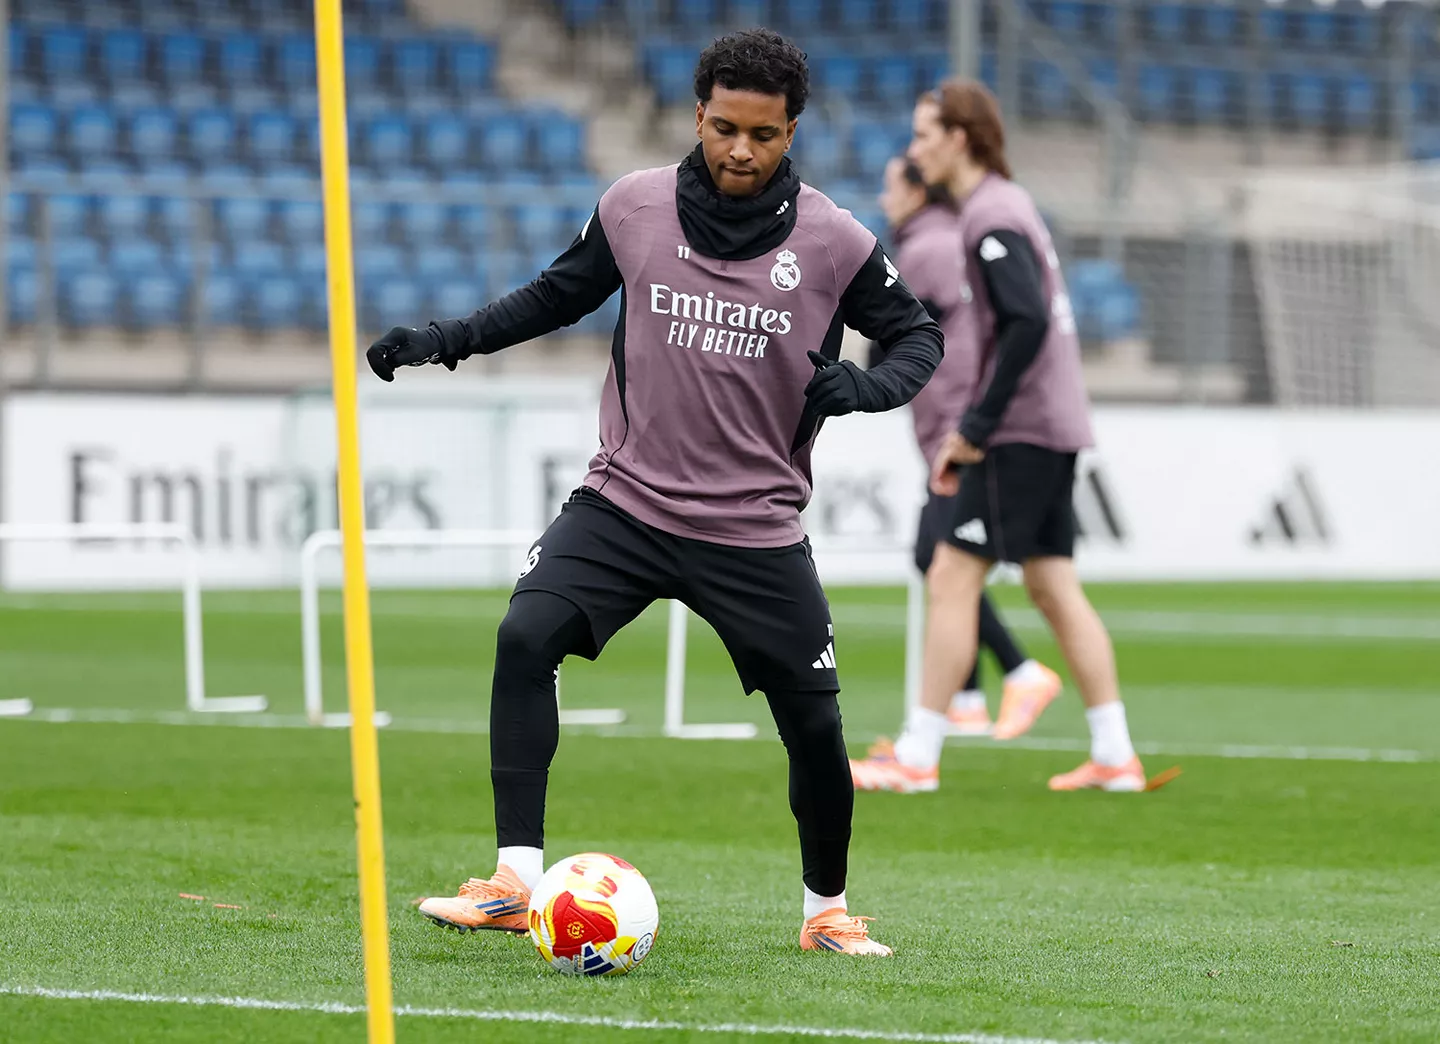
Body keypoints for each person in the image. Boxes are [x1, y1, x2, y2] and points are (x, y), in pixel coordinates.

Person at [366, 29, 943, 955]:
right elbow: (554, 296)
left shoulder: (836, 239)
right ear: (698, 114)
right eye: (724, 128)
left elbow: (920, 337)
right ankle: (516, 880)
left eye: (763, 134)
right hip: (624, 504)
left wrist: (867, 387)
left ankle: (825, 912)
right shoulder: (634, 206)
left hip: (752, 527)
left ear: (792, 130)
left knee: (815, 723)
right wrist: (443, 339)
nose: (740, 151)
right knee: (524, 637)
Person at [849, 79, 1149, 794]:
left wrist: (976, 425)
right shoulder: (1001, 209)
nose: (916, 151)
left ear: (959, 137)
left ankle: (918, 756)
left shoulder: (989, 217)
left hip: (1018, 427)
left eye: (925, 135)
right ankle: (1115, 753)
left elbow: (1026, 320)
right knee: (1051, 585)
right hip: (1050, 421)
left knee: (951, 574)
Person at [862, 156, 1060, 750]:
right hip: (959, 419)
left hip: (957, 424)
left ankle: (1018, 673)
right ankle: (970, 699)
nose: (883, 195)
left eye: (892, 184)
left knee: (940, 557)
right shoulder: (948, 242)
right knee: (944, 559)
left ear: (920, 191)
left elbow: (894, 343)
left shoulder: (926, 250)